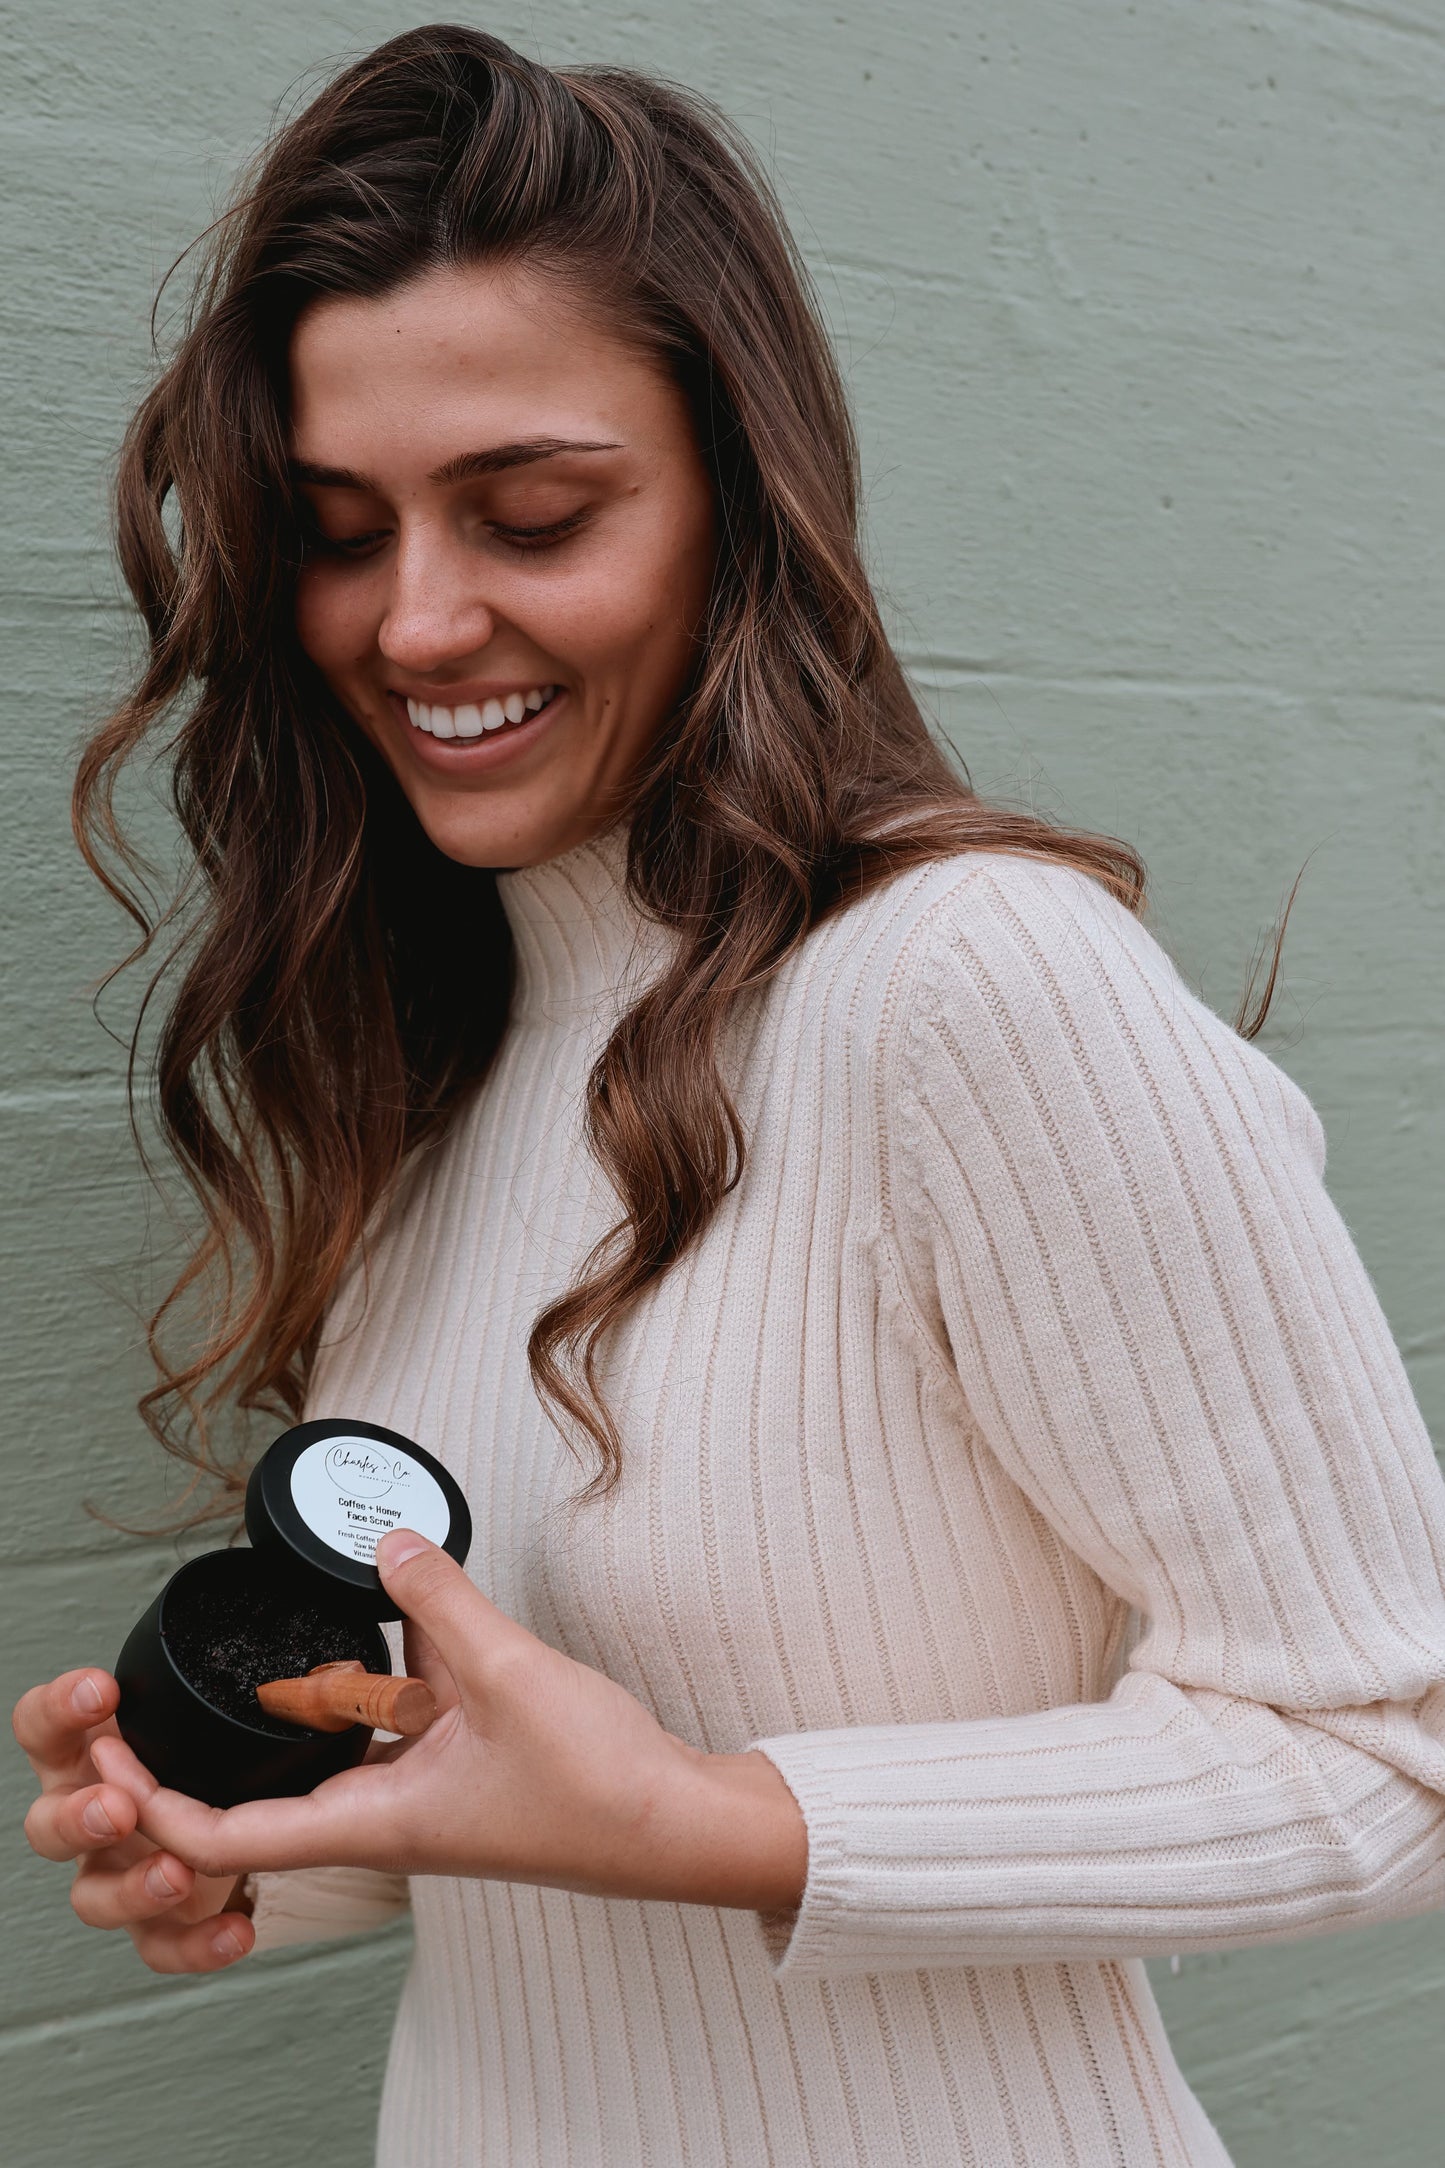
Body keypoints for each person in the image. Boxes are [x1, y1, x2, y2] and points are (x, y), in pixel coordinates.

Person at [15, 26, 1445, 2167]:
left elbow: (1397, 1746)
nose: (416, 618)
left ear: (737, 502)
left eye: (531, 512)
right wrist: (255, 1828)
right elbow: (547, 1808)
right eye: (337, 530)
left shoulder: (973, 983)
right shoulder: (442, 1062)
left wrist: (718, 1822)